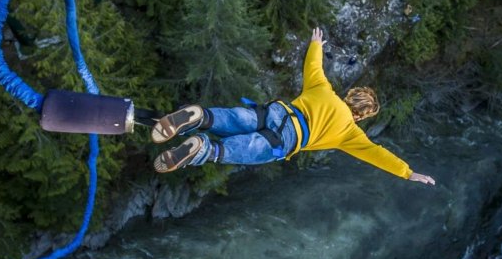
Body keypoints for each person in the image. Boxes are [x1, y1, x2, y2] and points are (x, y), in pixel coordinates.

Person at [151, 27, 435, 185]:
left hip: (277, 112)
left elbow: (314, 65)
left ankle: (200, 116)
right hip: (287, 139)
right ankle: (202, 148)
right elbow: (377, 154)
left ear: (350, 95)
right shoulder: (350, 133)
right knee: (235, 150)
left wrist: (316, 44)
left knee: (237, 118)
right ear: (361, 116)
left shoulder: (323, 89)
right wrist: (408, 172)